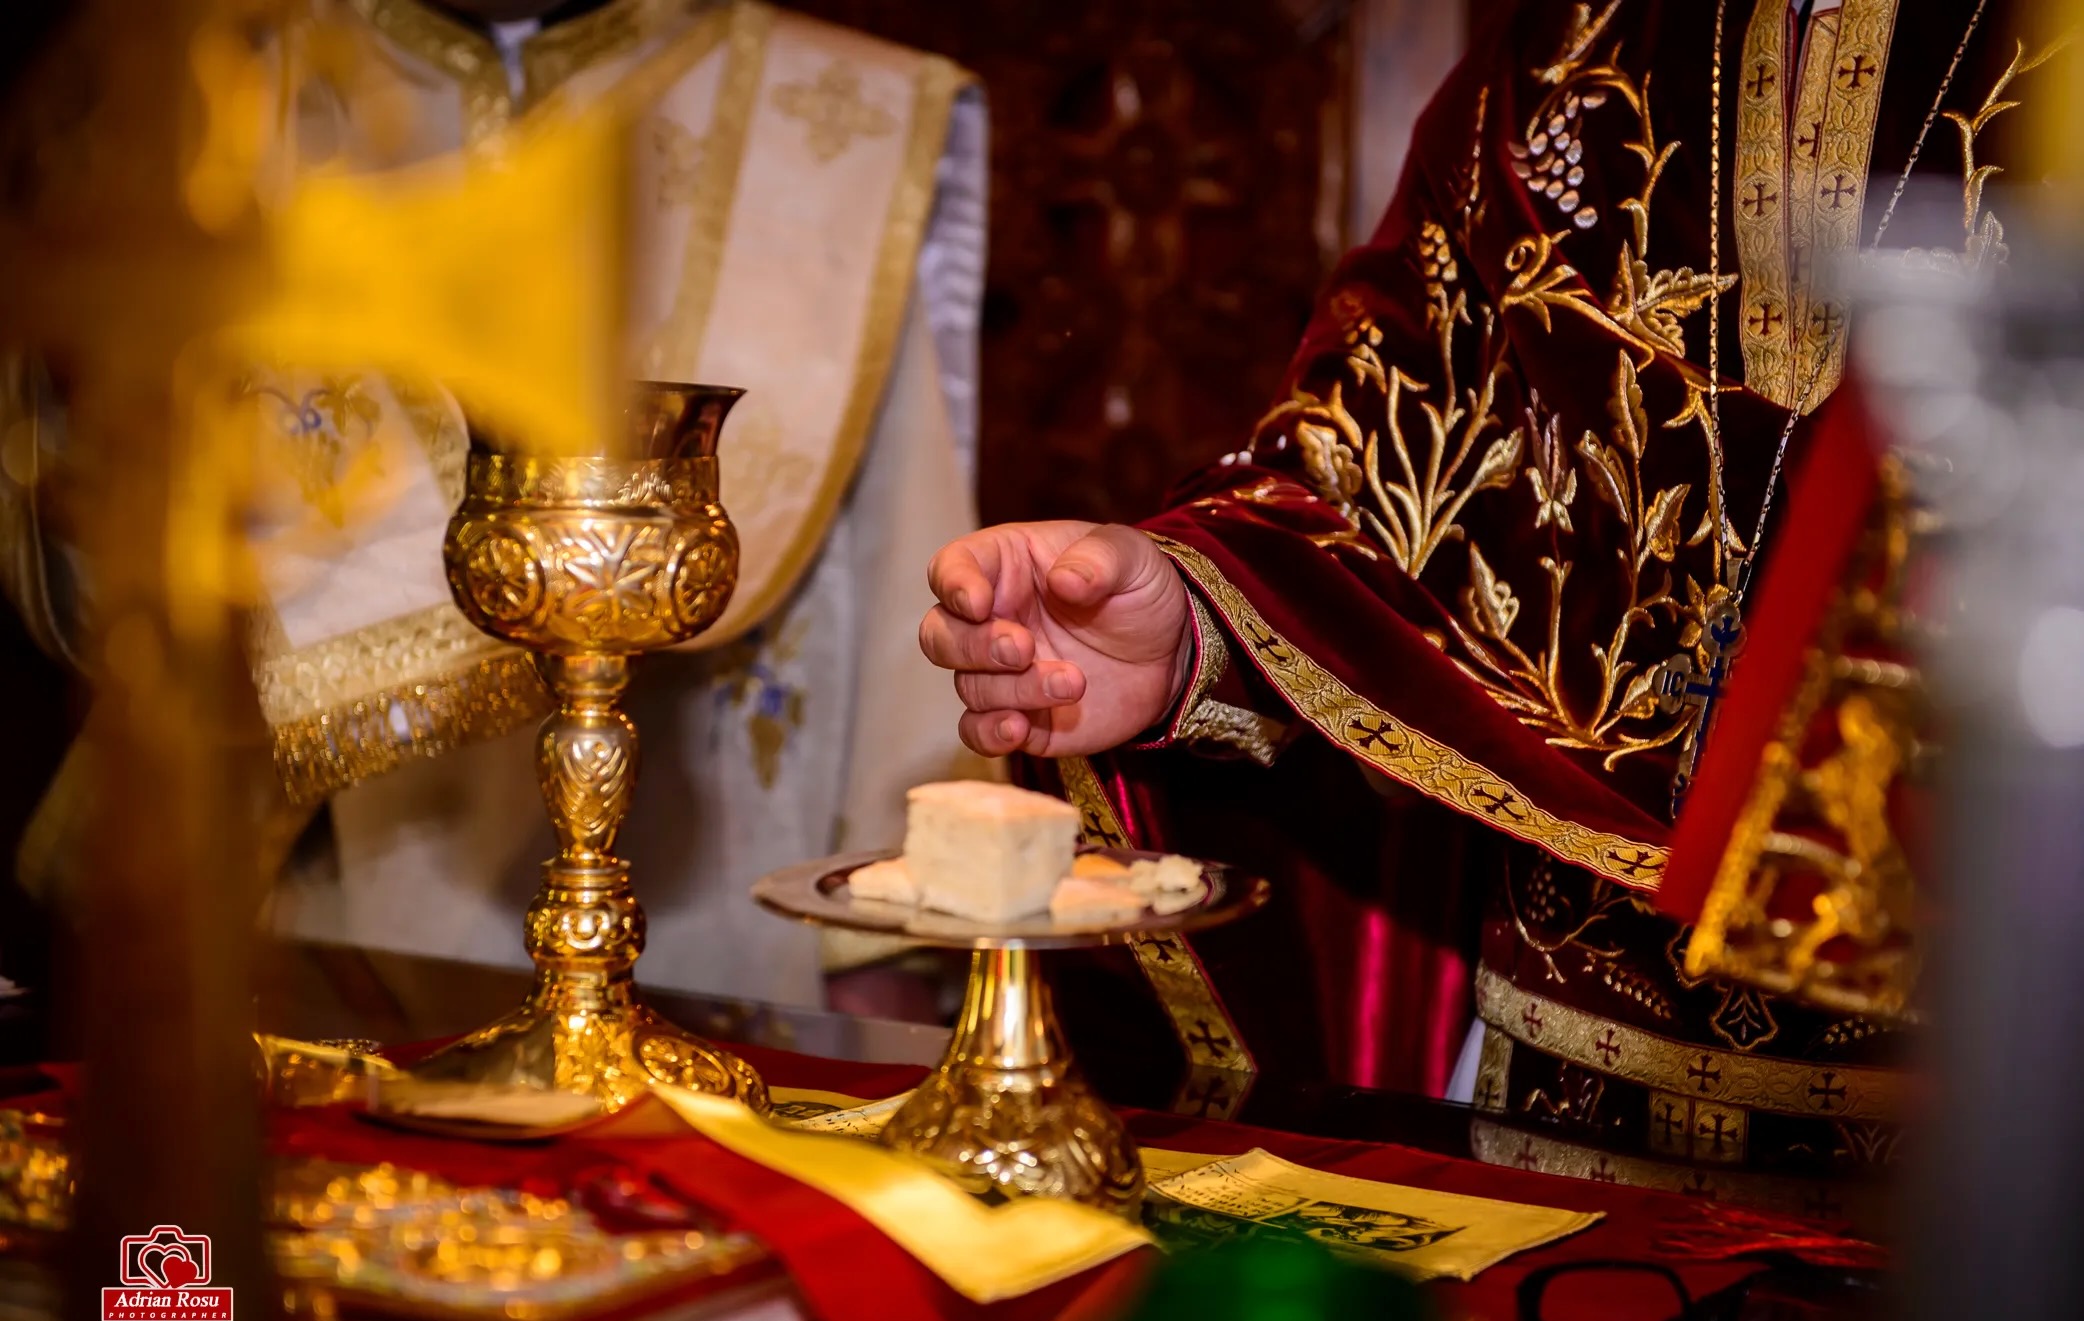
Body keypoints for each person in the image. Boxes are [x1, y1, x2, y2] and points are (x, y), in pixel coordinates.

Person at [920, 0, 2052, 1199]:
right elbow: (1372, 482)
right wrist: (1192, 629)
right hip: (1557, 1109)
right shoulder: (1573, 45)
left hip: (2002, 1132)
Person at [0, 0, 988, 1012]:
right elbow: (98, 514)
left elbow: (905, 534)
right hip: (321, 899)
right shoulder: (209, 85)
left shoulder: (829, 111)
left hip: (721, 921)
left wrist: (887, 941)